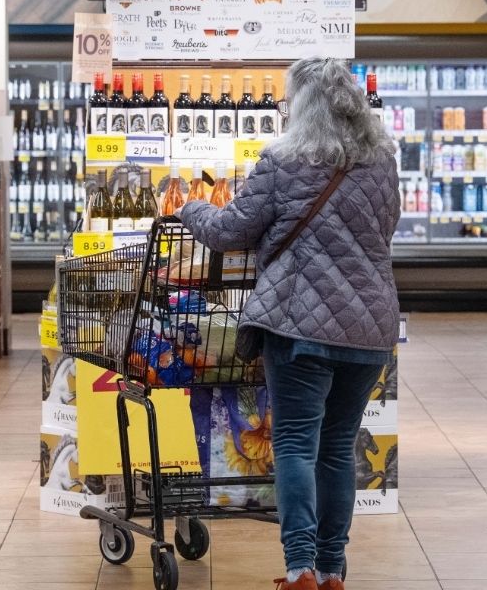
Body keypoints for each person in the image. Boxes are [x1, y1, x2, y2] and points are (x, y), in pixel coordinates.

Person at [179, 57, 401, 590]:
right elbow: (385, 229)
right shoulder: (383, 161)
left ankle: (299, 568)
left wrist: (190, 208)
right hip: (370, 325)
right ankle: (330, 570)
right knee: (339, 444)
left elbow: (232, 229)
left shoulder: (282, 162)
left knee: (297, 444)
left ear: (299, 106)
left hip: (300, 324)